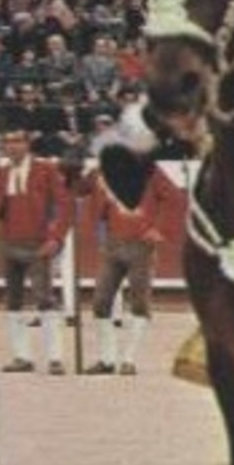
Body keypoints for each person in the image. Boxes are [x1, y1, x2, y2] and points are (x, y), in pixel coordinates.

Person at [78, 150, 176, 377]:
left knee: (139, 303)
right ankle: (107, 359)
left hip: (141, 245)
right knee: (101, 301)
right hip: (113, 243)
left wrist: (159, 228)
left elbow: (173, 197)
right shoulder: (103, 170)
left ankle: (129, 360)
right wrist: (73, 169)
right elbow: (79, 188)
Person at [0, 129, 72, 375]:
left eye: (17, 141)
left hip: (38, 243)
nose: (12, 146)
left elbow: (65, 204)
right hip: (10, 243)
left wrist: (56, 237)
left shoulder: (45, 170)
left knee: (44, 298)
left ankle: (55, 357)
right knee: (13, 301)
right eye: (8, 142)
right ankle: (21, 356)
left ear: (27, 144)